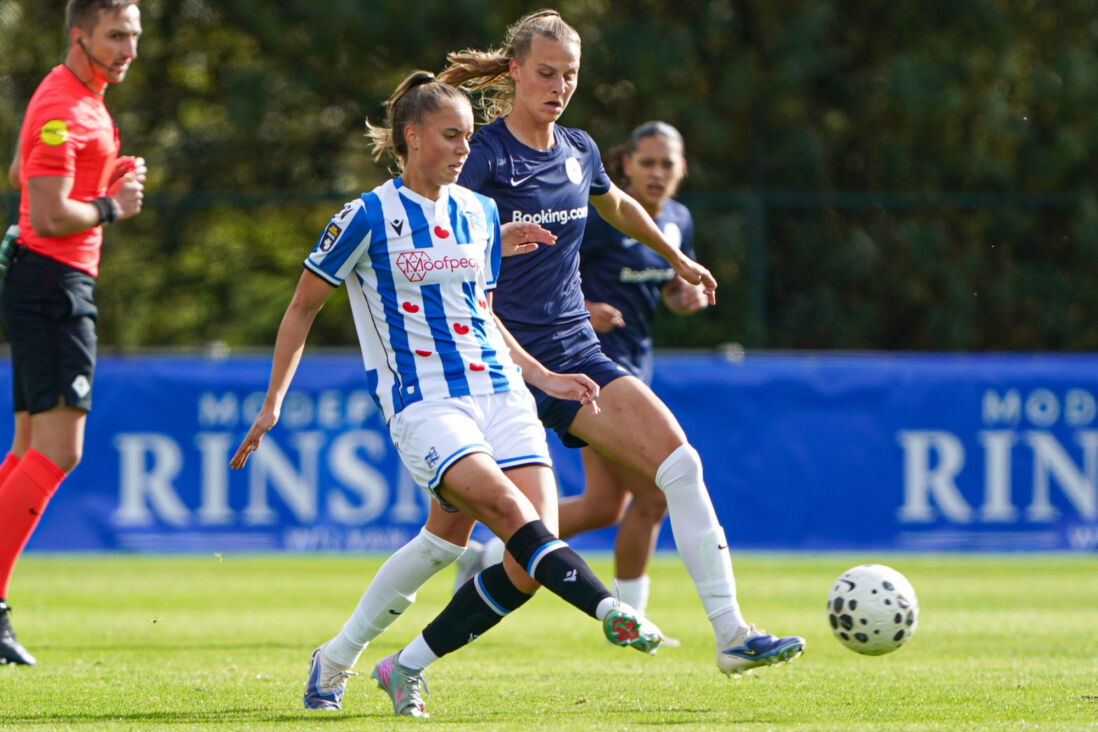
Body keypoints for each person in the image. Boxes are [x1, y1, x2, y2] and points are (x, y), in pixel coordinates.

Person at [229, 71, 662, 717]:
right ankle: (610, 610)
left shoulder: (480, 211)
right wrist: (273, 402)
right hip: (426, 403)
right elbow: (301, 308)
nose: (465, 148)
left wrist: (539, 376)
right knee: (512, 517)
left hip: (501, 392)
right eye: (451, 135)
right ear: (412, 137)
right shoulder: (367, 215)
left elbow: (483, 313)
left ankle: (384, 664)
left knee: (480, 552)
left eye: (467, 135)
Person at [463, 120, 710, 628]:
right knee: (652, 495)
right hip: (587, 365)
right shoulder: (599, 216)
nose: (658, 173)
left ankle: (493, 555)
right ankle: (634, 617)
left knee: (603, 506)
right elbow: (553, 264)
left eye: (668, 164)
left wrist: (683, 299)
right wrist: (587, 307)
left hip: (634, 366)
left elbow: (659, 289)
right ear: (626, 166)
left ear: (682, 169)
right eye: (647, 163)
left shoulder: (678, 221)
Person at [0, 0, 144, 667]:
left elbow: (18, 179)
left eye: (135, 36)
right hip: (54, 285)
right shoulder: (66, 106)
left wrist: (99, 179)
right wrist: (113, 205)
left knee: (28, 448)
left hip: (42, 281)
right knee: (60, 451)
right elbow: (53, 214)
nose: (128, 49)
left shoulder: (78, 98)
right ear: (78, 34)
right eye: (116, 36)